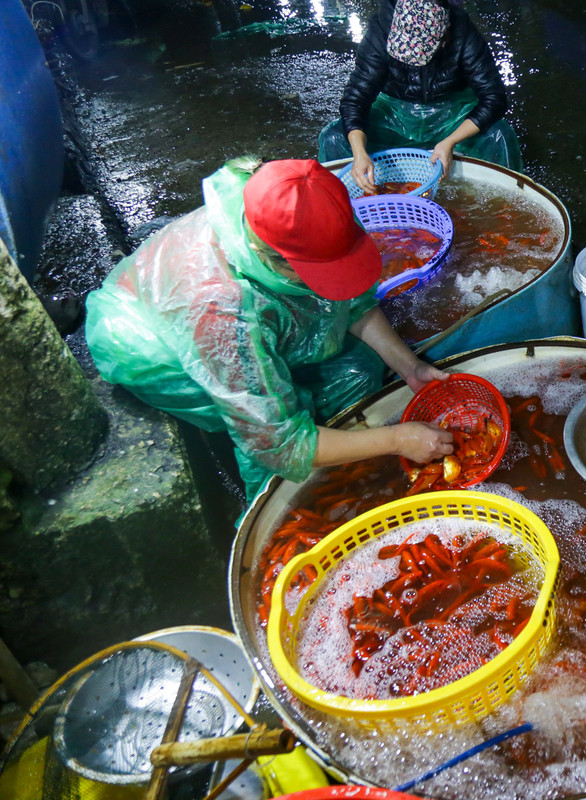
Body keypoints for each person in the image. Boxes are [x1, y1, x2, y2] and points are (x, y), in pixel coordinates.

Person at [85, 157, 455, 498]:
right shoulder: (222, 312)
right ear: (270, 255)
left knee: (358, 369)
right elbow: (276, 442)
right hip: (151, 347)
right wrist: (397, 439)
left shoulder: (314, 207)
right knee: (269, 427)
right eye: (317, 273)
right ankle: (300, 480)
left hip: (211, 309)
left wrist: (410, 367)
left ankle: (331, 441)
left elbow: (352, 301)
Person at [318, 0, 522, 192]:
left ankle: (505, 207)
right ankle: (338, 205)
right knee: (333, 137)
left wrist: (449, 142)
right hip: (395, 113)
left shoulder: (462, 32)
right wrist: (359, 154)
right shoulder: (381, 29)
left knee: (500, 135)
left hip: (451, 114)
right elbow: (355, 99)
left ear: (445, 37)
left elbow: (494, 97)